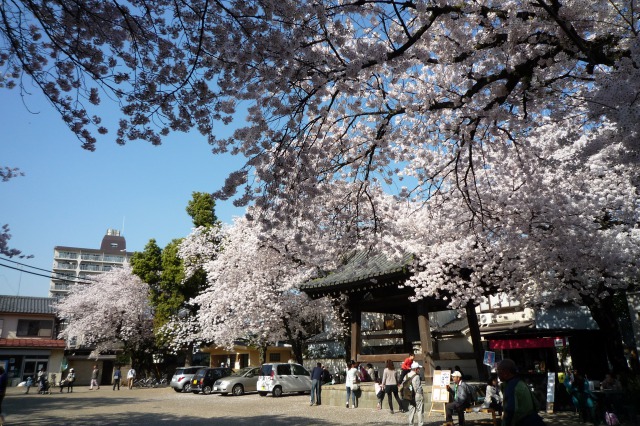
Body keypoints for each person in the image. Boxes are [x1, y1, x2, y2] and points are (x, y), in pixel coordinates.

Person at [498, 359, 546, 426]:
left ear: (506, 372)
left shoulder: (511, 387)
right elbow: (536, 404)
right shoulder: (519, 382)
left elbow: (510, 411)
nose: (497, 373)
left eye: (499, 370)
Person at [404, 361, 424, 426]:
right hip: (417, 395)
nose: (419, 370)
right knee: (419, 410)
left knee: (411, 410)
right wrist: (422, 395)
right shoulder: (417, 376)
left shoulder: (406, 375)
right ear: (415, 369)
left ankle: (411, 424)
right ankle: (420, 424)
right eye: (418, 368)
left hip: (409, 395)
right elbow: (418, 388)